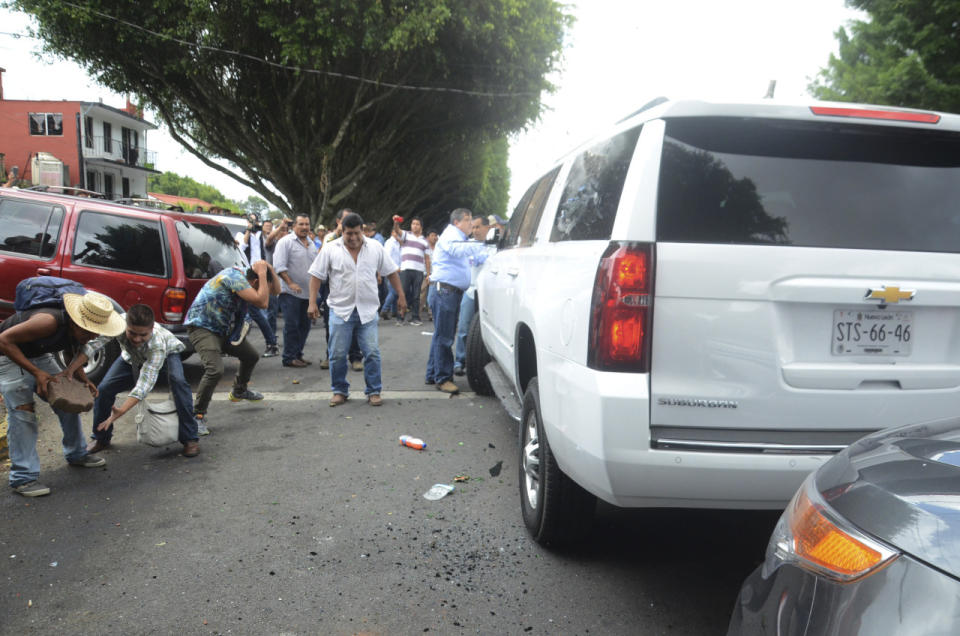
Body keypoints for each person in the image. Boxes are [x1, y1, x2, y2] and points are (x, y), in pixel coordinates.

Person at [0, 290, 124, 496]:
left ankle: (77, 453)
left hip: (38, 355)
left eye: (96, 332)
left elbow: (71, 351)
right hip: (7, 356)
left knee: (68, 399)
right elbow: (4, 340)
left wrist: (82, 378)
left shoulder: (77, 329)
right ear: (76, 323)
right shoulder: (47, 321)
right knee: (23, 411)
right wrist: (36, 373)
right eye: (89, 332)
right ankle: (23, 478)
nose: (93, 337)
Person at [73, 304, 200, 457]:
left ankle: (190, 438)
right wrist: (70, 369)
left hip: (167, 354)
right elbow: (93, 345)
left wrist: (121, 411)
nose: (137, 339)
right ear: (125, 325)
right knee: (105, 388)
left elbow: (144, 383)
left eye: (143, 335)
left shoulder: (157, 344)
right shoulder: (117, 324)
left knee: (178, 382)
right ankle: (101, 438)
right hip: (131, 357)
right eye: (132, 333)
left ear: (152, 328)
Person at [307, 212, 406, 407]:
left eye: (357, 233)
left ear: (363, 231)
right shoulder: (330, 249)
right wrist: (312, 303)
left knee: (372, 353)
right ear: (341, 231)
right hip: (339, 310)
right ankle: (339, 390)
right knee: (336, 354)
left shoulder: (375, 248)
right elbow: (316, 276)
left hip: (367, 311)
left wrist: (401, 296)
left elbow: (391, 272)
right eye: (349, 233)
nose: (353, 238)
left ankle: (373, 390)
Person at [185, 261, 281, 432]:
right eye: (260, 284)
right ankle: (197, 416)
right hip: (202, 327)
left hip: (223, 330)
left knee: (250, 356)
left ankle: (239, 390)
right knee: (215, 370)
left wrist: (269, 269)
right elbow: (263, 302)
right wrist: (261, 274)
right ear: (255, 282)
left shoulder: (251, 279)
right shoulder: (234, 276)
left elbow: (276, 291)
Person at [425, 208, 491, 394]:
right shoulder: (450, 235)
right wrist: (482, 244)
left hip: (448, 292)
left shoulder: (461, 240)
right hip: (445, 291)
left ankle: (433, 373)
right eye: (468, 220)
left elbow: (476, 257)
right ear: (457, 222)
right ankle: (443, 378)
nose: (471, 224)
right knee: (445, 337)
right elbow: (457, 250)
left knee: (440, 335)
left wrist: (489, 252)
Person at [272, 214, 319, 368]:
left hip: (308, 294)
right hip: (289, 293)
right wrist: (290, 283)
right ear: (294, 226)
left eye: (307, 224)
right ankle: (288, 357)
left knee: (304, 327)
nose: (305, 227)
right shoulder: (285, 242)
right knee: (292, 325)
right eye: (301, 224)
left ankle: (298, 354)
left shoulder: (311, 244)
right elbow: (279, 266)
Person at [453, 215, 492, 375]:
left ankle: (483, 361)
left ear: (487, 228)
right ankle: (460, 361)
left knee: (486, 329)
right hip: (470, 292)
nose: (475, 230)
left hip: (489, 296)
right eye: (473, 227)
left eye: (478, 227)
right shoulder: (467, 245)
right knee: (464, 328)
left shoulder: (496, 246)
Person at [393, 216, 430, 326]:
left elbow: (427, 259)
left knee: (416, 295)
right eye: (413, 224)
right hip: (405, 268)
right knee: (402, 293)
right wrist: (396, 222)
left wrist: (428, 274)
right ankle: (400, 318)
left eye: (417, 224)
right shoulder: (406, 235)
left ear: (421, 227)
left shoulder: (425, 241)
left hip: (419, 270)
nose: (414, 226)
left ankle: (415, 317)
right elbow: (396, 230)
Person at [380, 231, 402, 319]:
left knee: (393, 291)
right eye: (396, 233)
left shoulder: (398, 243)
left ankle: (394, 311)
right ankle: (384, 309)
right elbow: (387, 256)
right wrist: (395, 267)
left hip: (397, 269)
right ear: (392, 232)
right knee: (394, 291)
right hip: (392, 269)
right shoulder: (390, 242)